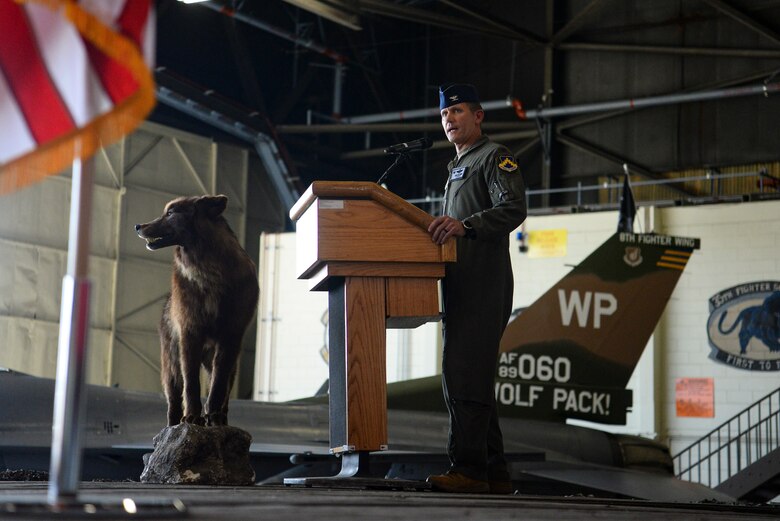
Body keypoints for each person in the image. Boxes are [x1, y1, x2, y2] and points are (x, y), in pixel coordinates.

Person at [426, 83, 527, 494]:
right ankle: (495, 472)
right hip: (460, 286)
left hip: (483, 285)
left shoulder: (494, 157)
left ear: (479, 116)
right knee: (472, 378)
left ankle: (468, 470)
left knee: (464, 375)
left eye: (458, 112)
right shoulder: (456, 168)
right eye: (445, 115)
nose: (450, 119)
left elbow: (513, 207)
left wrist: (464, 225)